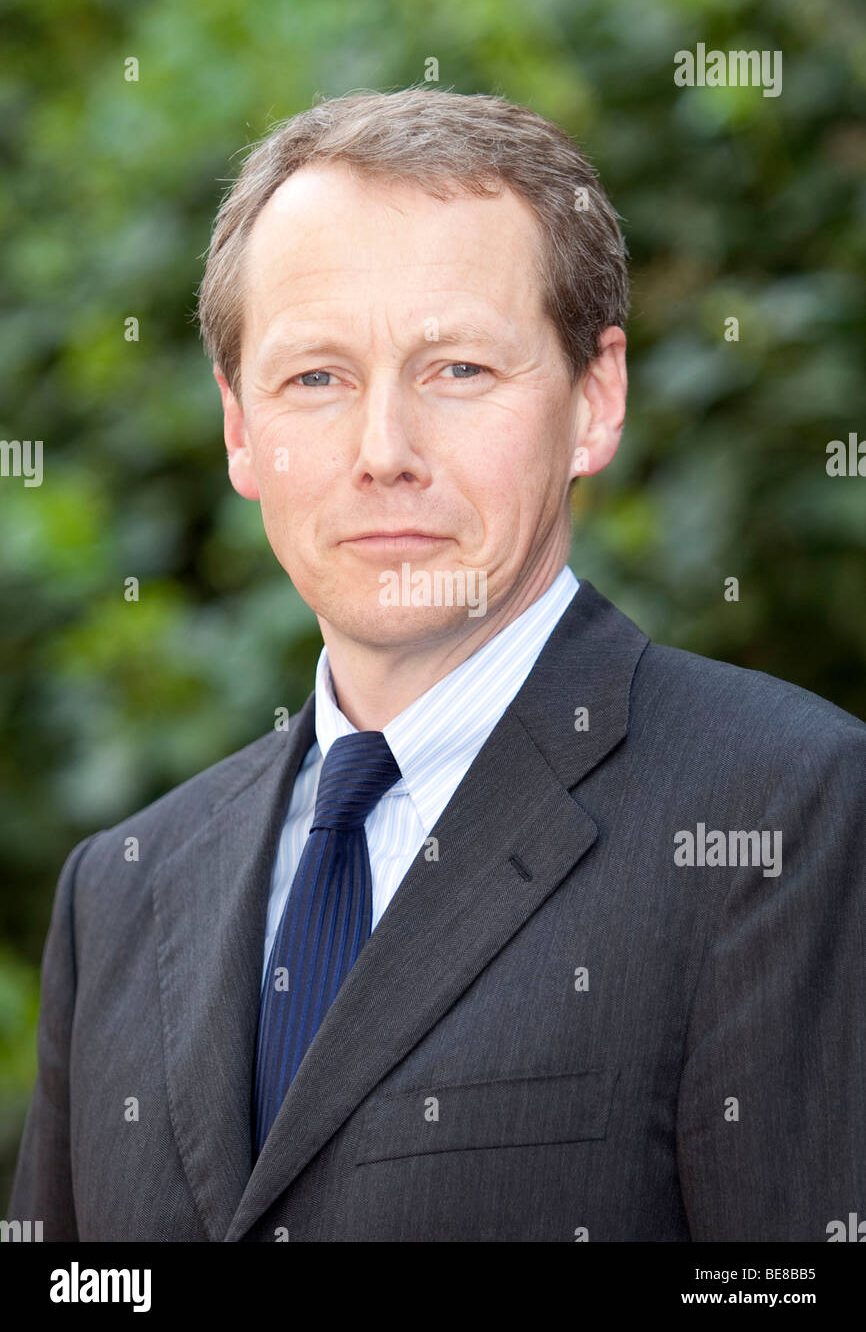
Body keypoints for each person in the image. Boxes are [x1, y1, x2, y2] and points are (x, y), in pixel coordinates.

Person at [9, 87, 866, 1242]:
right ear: (238, 429)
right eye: (315, 377)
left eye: (456, 368)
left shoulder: (787, 807)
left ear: (594, 399)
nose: (383, 453)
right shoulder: (118, 889)